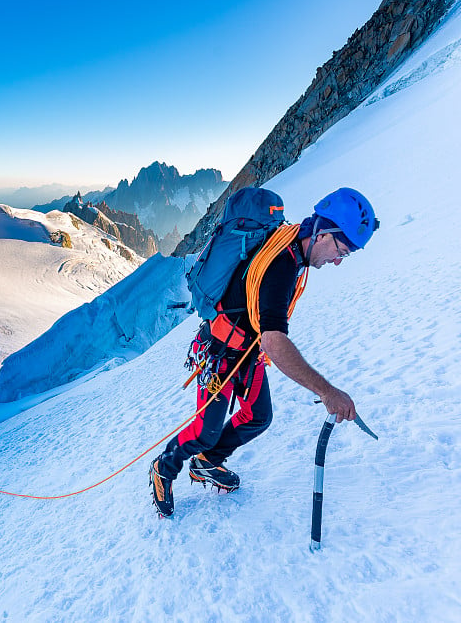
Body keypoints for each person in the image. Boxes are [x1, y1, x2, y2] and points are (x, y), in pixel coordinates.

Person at [150, 187, 379, 518]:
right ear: (323, 233)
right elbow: (274, 340)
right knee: (206, 430)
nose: (339, 260)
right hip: (219, 352)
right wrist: (327, 391)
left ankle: (207, 463)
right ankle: (164, 467)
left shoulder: (290, 248)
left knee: (258, 416)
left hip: (245, 352)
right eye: (341, 249)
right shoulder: (282, 265)